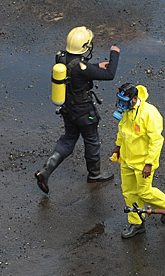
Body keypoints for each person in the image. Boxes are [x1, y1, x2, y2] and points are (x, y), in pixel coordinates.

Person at [35, 26, 120, 194]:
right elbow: (110, 74)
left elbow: (77, 70)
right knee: (92, 140)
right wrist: (114, 53)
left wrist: (96, 66)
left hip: (68, 109)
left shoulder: (61, 58)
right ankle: (95, 174)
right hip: (83, 111)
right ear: (84, 47)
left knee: (68, 139)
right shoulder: (83, 68)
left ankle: (45, 171)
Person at [112, 83, 165, 239]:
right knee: (129, 192)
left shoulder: (150, 114)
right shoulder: (127, 111)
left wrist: (149, 163)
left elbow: (156, 141)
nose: (121, 104)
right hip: (127, 160)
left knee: (144, 193)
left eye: (124, 100)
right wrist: (118, 146)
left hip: (143, 163)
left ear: (135, 99)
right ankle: (137, 222)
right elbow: (123, 129)